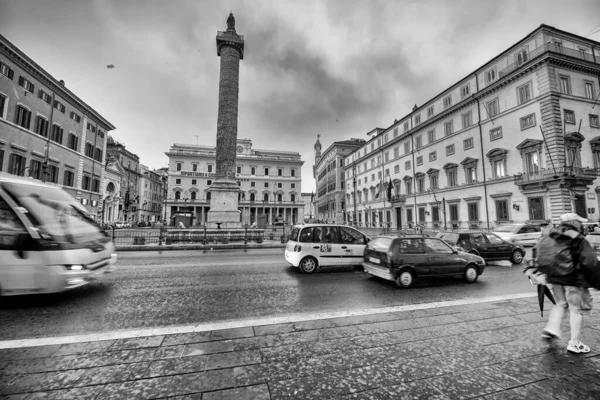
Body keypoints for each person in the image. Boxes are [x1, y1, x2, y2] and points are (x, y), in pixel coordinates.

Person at [539, 213, 597, 354]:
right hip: (572, 278)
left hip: (554, 277)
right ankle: (574, 343)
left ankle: (552, 328)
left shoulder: (549, 235)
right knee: (576, 310)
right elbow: (589, 261)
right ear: (574, 223)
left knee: (560, 303)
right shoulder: (576, 238)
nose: (581, 225)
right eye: (579, 222)